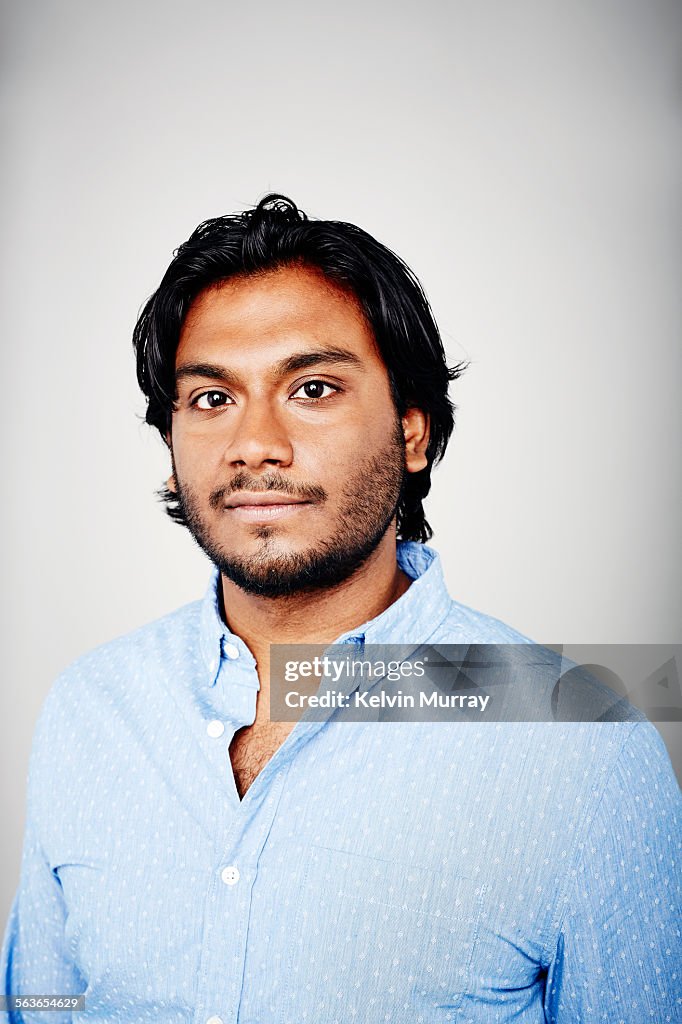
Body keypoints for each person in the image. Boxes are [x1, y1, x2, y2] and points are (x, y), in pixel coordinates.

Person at [2, 195, 679, 1023]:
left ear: (412, 433)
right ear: (172, 448)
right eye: (212, 399)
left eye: (313, 388)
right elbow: (41, 1004)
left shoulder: (581, 746)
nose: (255, 444)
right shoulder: (89, 710)